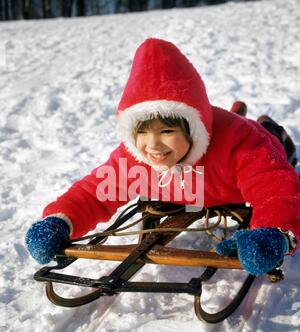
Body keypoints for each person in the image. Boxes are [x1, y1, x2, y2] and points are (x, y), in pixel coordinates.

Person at [25, 38, 300, 276]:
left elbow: (275, 187)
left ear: (193, 129)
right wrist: (59, 221)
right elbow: (94, 192)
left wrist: (274, 233)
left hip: (256, 143)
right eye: (142, 133)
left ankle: (271, 127)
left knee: (273, 141)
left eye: (167, 131)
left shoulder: (241, 143)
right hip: (204, 170)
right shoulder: (137, 159)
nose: (153, 145)